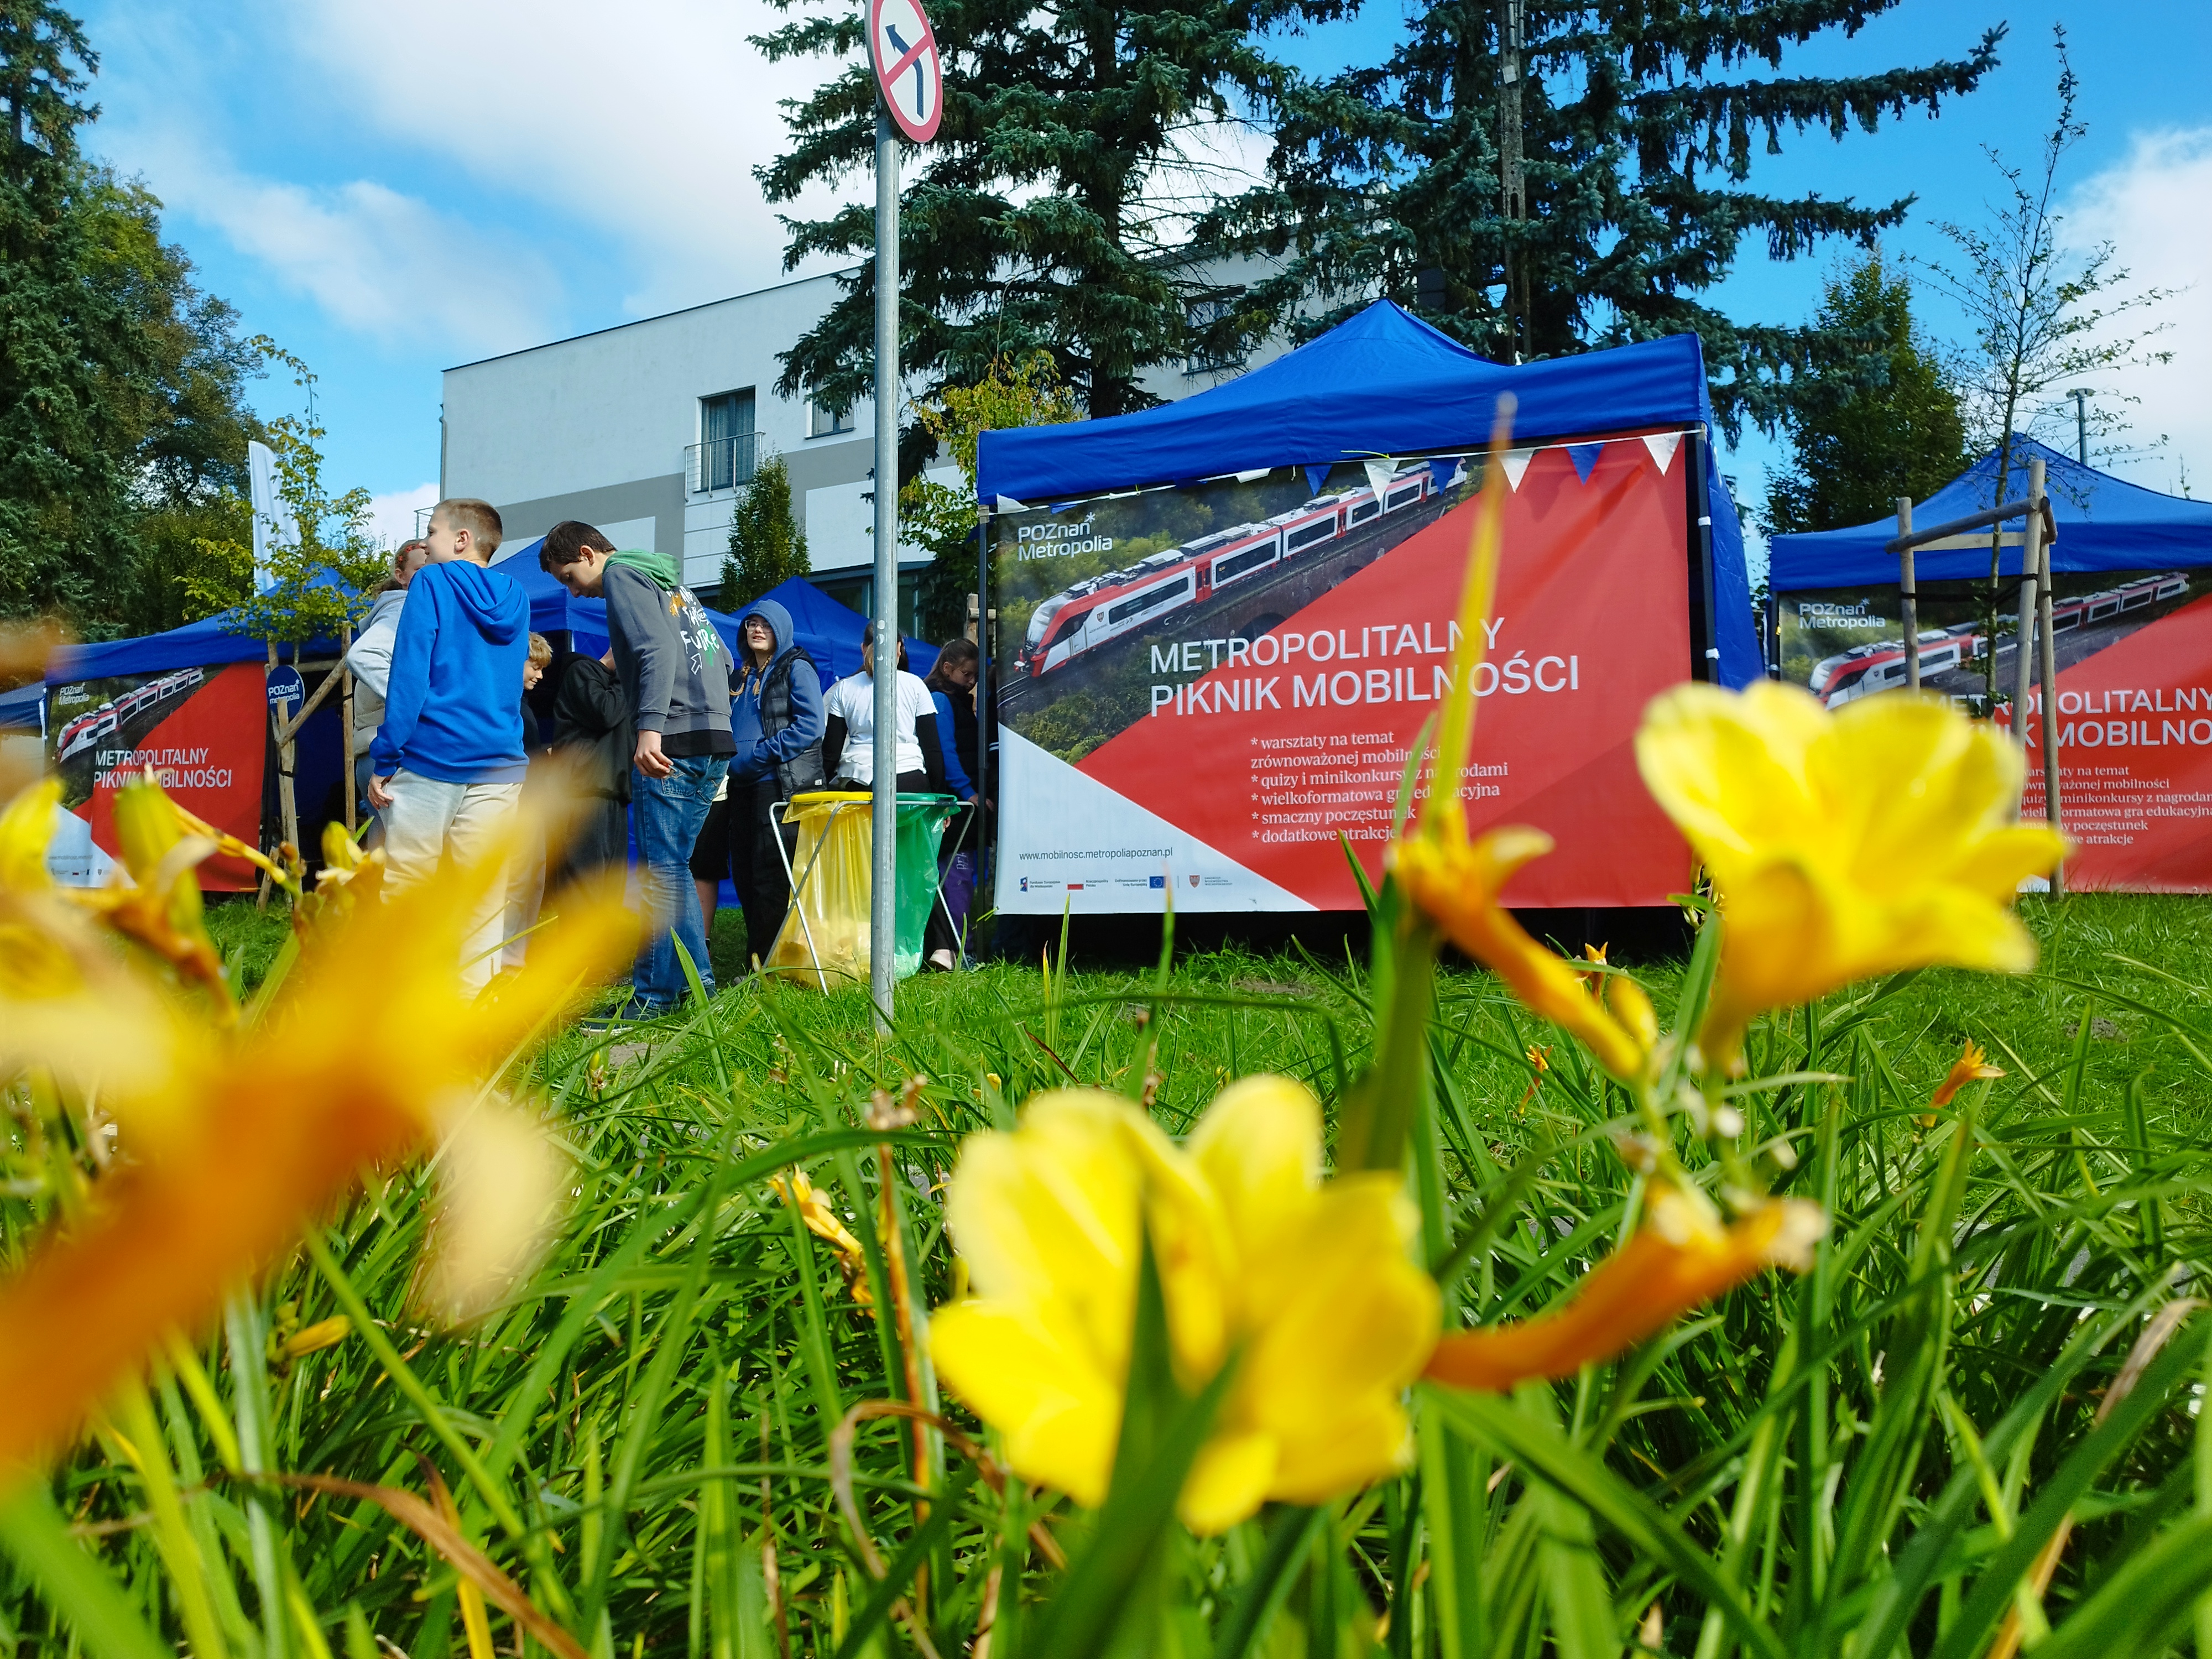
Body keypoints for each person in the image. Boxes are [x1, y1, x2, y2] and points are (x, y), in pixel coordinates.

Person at [539, 522, 733, 1016]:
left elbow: (656, 650)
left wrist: (650, 729)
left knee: (659, 875)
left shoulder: (624, 575)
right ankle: (697, 990)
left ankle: (653, 998)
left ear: (588, 554)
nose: (575, 592)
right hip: (714, 740)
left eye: (568, 577)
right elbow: (725, 658)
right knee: (674, 871)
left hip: (672, 741)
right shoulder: (671, 583)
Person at [367, 500, 527, 994]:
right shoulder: (516, 594)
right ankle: (467, 1016)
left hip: (432, 758)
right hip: (501, 764)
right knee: (482, 897)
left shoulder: (430, 583)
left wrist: (385, 756)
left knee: (409, 888)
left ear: (462, 539)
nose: (426, 542)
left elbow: (409, 673)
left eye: (432, 532)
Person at [722, 597, 825, 964]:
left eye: (765, 624)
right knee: (746, 875)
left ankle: (766, 965)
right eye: (751, 623)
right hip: (741, 786)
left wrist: (760, 755)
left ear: (780, 630)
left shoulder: (796, 668)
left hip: (777, 785)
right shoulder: (741, 675)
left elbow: (812, 727)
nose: (757, 629)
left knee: (770, 876)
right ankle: (759, 958)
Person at [343, 537, 430, 838]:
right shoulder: (403, 609)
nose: (429, 575)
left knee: (385, 859)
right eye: (421, 568)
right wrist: (424, 702)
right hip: (390, 755)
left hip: (378, 752)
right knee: (406, 864)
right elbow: (362, 655)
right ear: (400, 574)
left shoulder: (410, 609)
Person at [545, 647, 632, 898]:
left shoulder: (622, 687)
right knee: (584, 890)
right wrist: (627, 675)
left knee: (610, 892)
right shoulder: (581, 670)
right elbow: (605, 712)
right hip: (585, 794)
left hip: (615, 794)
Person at [821, 622, 946, 796]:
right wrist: (939, 798)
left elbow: (831, 752)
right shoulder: (916, 685)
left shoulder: (844, 688)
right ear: (899, 648)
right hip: (910, 780)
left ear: (863, 648)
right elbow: (932, 749)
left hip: (859, 783)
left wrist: (818, 789)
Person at [922, 637, 981, 971]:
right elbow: (946, 753)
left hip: (958, 803)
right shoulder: (942, 701)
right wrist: (968, 792)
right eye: (966, 674)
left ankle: (953, 948)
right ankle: (958, 949)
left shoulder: (953, 699)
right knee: (956, 877)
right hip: (956, 806)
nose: (971, 682)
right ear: (947, 669)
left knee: (956, 877)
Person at [499, 634, 556, 972]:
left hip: (532, 803)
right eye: (535, 667)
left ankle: (517, 959)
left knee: (533, 880)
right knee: (516, 882)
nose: (540, 675)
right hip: (516, 804)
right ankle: (504, 962)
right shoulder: (505, 705)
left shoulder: (522, 704)